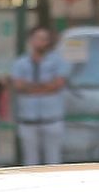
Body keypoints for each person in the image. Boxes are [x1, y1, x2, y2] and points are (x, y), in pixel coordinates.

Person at [10, 26, 68, 166]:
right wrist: (45, 87)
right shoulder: (20, 63)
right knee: (30, 162)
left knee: (53, 161)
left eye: (45, 39)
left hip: (51, 120)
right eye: (38, 38)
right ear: (30, 40)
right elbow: (18, 85)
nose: (41, 42)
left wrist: (30, 88)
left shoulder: (58, 61)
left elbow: (58, 84)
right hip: (28, 120)